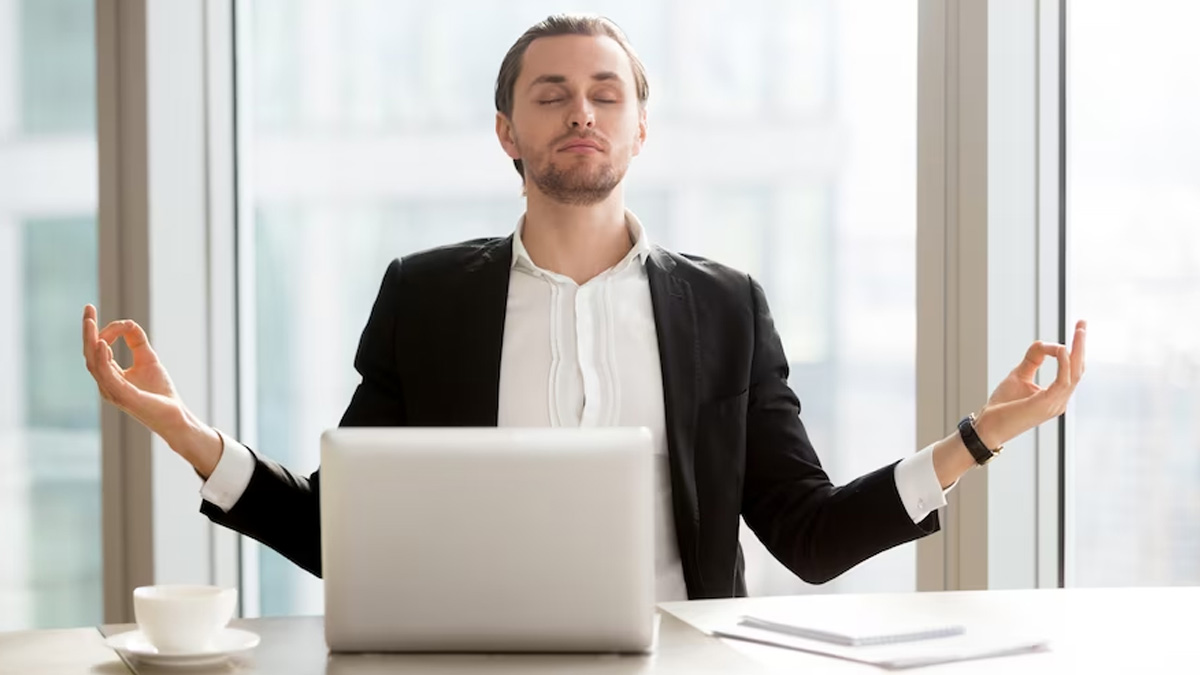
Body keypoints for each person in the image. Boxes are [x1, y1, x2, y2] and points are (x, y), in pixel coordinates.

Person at [81, 14, 1086, 601]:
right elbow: (344, 534)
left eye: (607, 94)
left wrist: (978, 437)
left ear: (640, 129)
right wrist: (186, 433)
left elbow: (808, 536)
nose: (582, 113)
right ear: (507, 133)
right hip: (476, 666)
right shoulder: (423, 296)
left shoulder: (728, 307)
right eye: (552, 94)